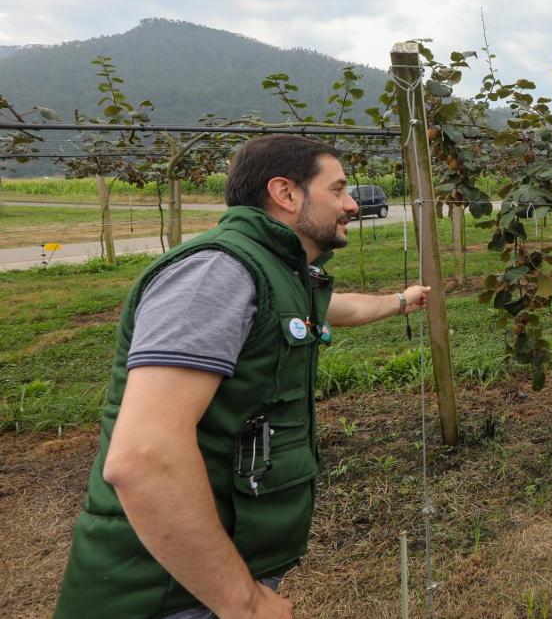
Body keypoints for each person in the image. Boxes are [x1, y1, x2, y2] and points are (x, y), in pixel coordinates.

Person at [54, 135, 432, 618]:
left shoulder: (277, 273)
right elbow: (144, 456)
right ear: (286, 193)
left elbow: (339, 308)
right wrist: (245, 603)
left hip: (204, 564)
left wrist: (402, 299)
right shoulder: (216, 274)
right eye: (337, 190)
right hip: (166, 591)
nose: (352, 204)